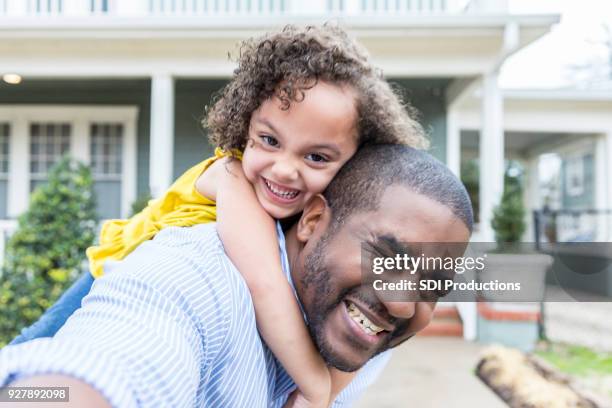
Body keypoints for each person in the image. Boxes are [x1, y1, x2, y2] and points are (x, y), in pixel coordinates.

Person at [9, 25, 426, 407]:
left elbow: (410, 308)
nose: (283, 168)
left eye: (316, 156)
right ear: (245, 126)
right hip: (110, 272)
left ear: (356, 164)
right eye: (268, 140)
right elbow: (266, 286)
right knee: (31, 367)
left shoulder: (311, 219)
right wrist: (317, 389)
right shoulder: (230, 177)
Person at [0, 144, 473, 407]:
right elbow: (100, 371)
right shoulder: (195, 275)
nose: (404, 303)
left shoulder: (362, 327)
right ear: (311, 220)